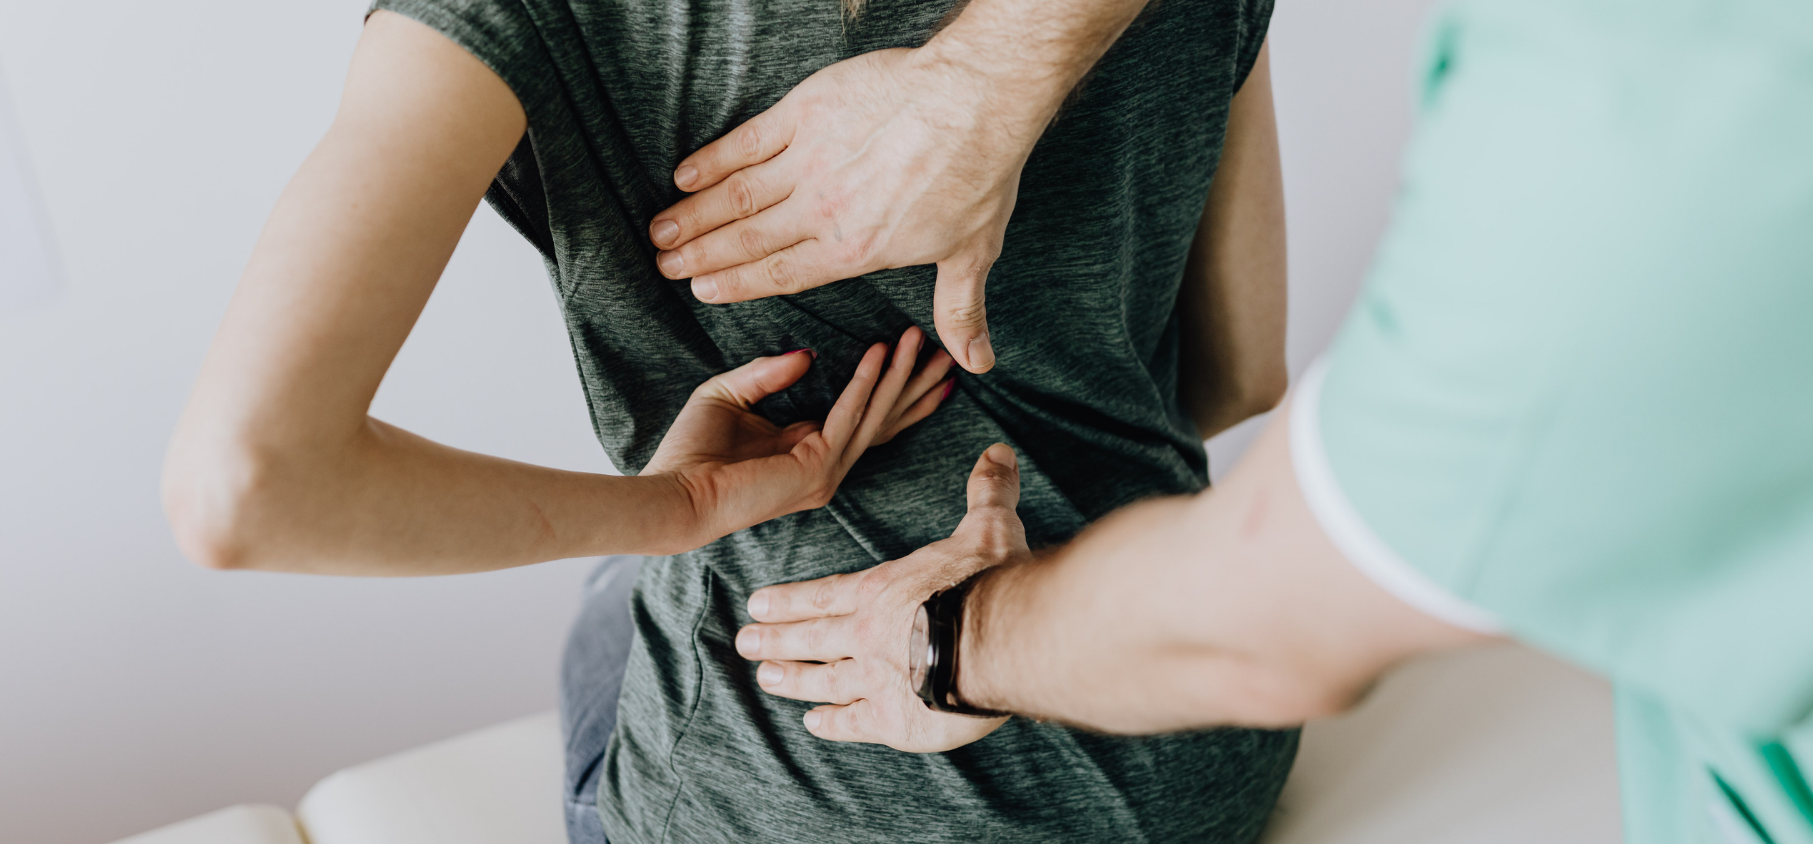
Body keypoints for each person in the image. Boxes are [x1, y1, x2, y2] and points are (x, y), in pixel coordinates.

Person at [732, 1, 1813, 842]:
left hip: (837, 773)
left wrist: (950, 640)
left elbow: (1280, 613)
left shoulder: (1655, 116)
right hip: (1200, 772)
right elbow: (1239, 375)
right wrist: (986, 78)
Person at [163, 1, 1301, 842]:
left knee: (617, 593)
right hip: (1184, 744)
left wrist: (678, 506)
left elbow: (250, 485)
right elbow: (1238, 376)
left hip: (812, 798)